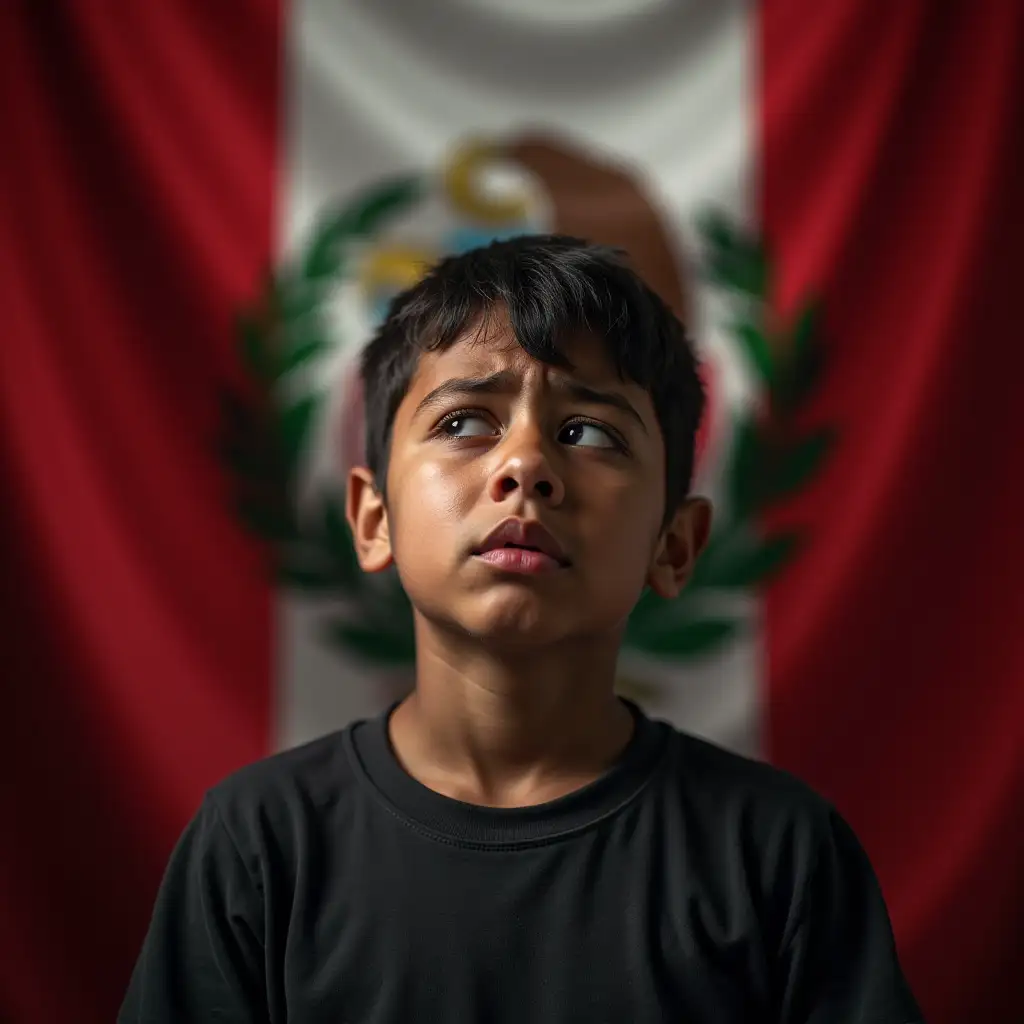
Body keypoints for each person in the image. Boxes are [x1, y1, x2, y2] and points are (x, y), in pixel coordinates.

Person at [119, 235, 924, 1022]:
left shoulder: (778, 854)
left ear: (674, 544)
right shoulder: (261, 845)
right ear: (373, 519)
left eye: (589, 433)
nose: (526, 464)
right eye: (466, 423)